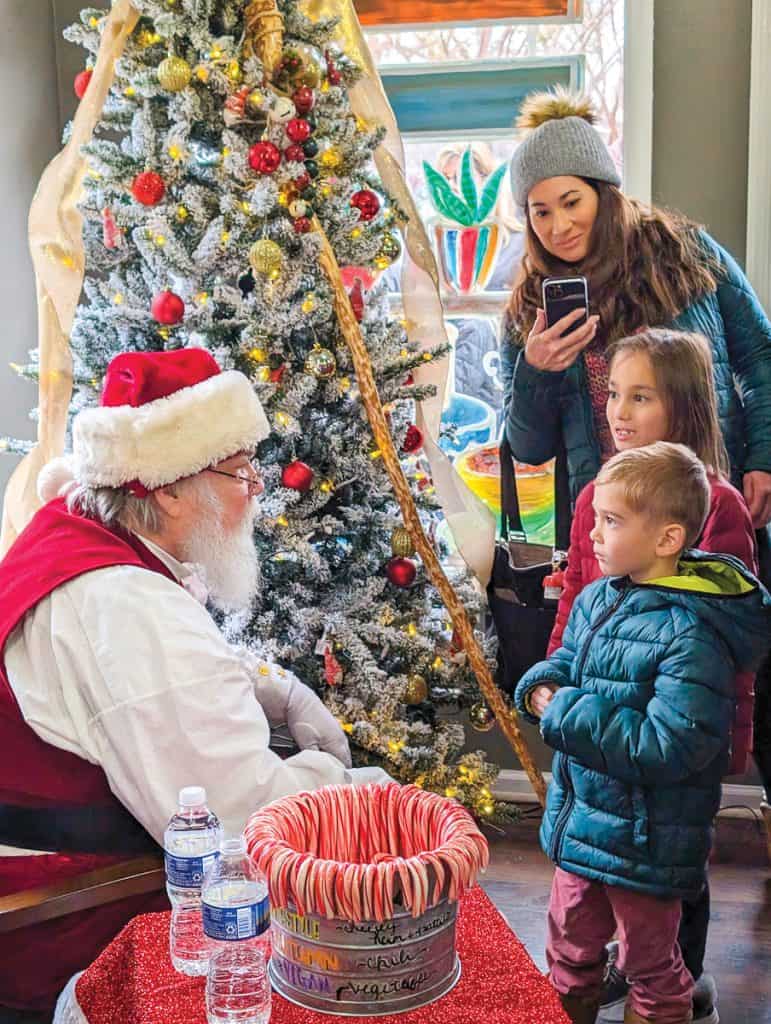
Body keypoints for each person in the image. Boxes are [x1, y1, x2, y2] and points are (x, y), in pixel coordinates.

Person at [0, 348, 381, 1017]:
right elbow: (242, 823)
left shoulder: (77, 528)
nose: (256, 488)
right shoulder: (124, 604)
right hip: (70, 913)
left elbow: (133, 691)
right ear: (169, 488)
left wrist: (269, 689)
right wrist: (337, 778)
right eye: (237, 472)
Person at [514, 442, 771, 1024]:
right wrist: (539, 687)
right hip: (580, 824)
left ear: (667, 539)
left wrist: (566, 710)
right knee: (568, 953)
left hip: (646, 843)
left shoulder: (693, 635)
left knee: (651, 966)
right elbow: (567, 662)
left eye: (611, 521)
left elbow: (669, 744)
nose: (594, 533)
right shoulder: (599, 598)